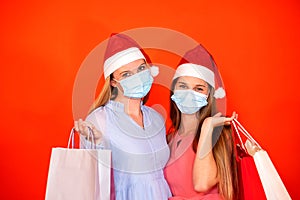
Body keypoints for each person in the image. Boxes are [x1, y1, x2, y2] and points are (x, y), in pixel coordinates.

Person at [74, 33, 171, 200]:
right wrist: (97, 143)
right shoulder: (99, 120)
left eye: (141, 69)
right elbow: (92, 179)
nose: (138, 77)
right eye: (126, 74)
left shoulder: (156, 118)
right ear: (112, 81)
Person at [164, 44, 239, 200]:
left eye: (198, 89)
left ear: (208, 95)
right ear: (173, 89)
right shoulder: (170, 139)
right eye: (183, 86)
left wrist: (207, 127)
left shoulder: (218, 136)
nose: (189, 94)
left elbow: (201, 184)